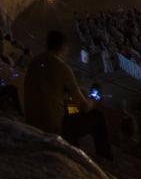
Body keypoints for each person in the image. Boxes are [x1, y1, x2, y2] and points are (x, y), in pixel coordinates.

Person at [22, 30, 112, 160]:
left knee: (70, 110)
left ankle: (74, 145)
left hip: (32, 122)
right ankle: (105, 158)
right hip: (53, 127)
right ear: (63, 47)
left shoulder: (34, 62)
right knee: (97, 117)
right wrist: (93, 99)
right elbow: (85, 107)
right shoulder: (62, 68)